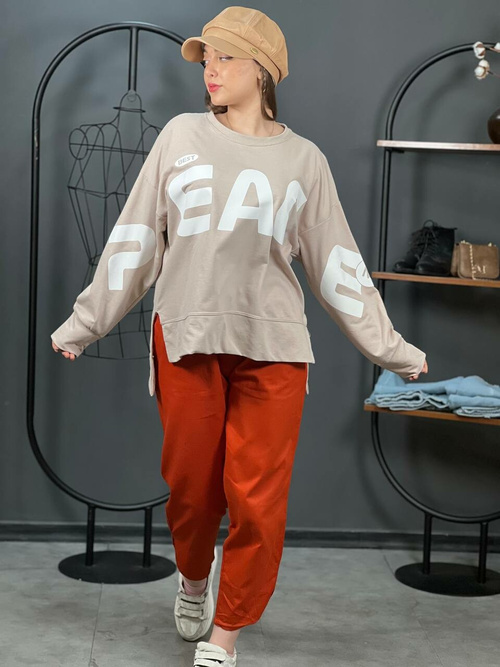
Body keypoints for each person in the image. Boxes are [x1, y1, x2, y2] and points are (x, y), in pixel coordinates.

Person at [51, 6, 428, 666]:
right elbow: (135, 238)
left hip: (274, 347)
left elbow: (337, 263)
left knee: (258, 501)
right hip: (187, 335)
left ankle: (225, 631)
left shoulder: (303, 160)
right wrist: (87, 321)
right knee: (193, 490)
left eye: (225, 57)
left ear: (264, 70)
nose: (211, 70)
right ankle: (195, 581)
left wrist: (389, 348)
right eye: (207, 59)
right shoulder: (180, 135)